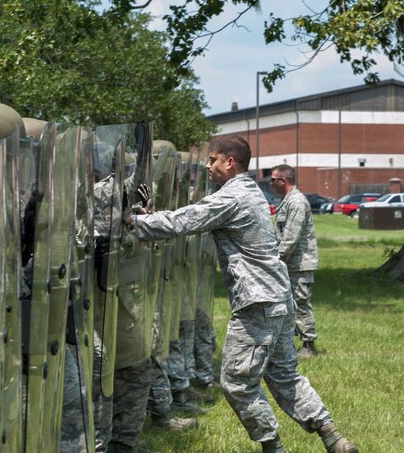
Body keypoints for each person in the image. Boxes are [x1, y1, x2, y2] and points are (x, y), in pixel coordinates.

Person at [126, 135, 358, 453]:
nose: (208, 165)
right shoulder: (250, 192)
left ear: (230, 162)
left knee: (237, 383)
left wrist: (133, 222)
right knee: (284, 376)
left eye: (213, 159)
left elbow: (184, 221)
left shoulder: (232, 197)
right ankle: (333, 437)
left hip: (256, 303)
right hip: (278, 296)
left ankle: (273, 447)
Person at [271, 164, 319, 358]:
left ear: (284, 180)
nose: (271, 183)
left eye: (273, 180)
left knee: (300, 302)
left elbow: (291, 237)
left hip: (299, 264)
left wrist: (276, 259)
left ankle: (309, 345)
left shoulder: (297, 202)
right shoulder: (287, 201)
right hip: (289, 263)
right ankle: (287, 343)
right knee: (288, 304)